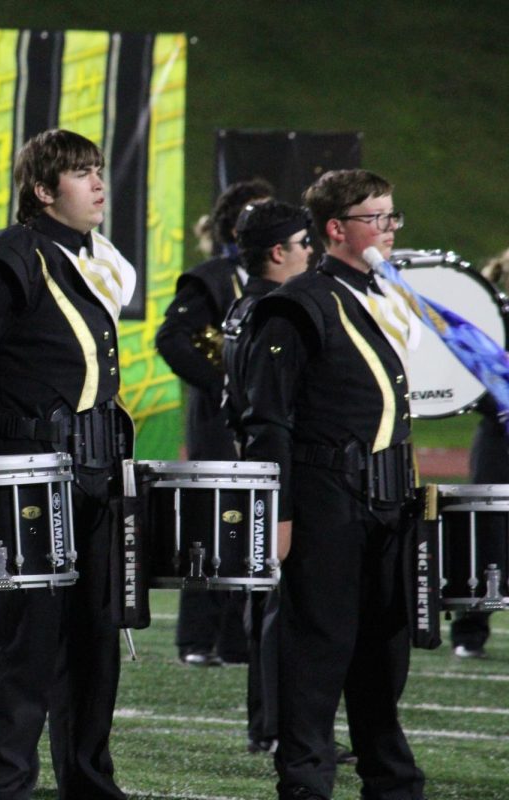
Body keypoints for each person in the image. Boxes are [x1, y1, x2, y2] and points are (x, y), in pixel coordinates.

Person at [0, 128, 135, 800]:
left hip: (97, 479)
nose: (99, 183)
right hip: (28, 483)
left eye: (99, 169)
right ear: (44, 190)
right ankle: (4, 783)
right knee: (22, 648)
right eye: (82, 173)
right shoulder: (8, 260)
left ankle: (88, 781)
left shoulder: (92, 260)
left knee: (94, 644)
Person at [241, 169, 426, 800]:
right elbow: (265, 419)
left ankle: (390, 777)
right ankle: (305, 781)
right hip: (325, 494)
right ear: (336, 229)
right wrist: (281, 515)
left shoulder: (391, 295)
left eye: (393, 215)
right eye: (377, 217)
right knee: (318, 652)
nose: (390, 229)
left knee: (385, 650)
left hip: (389, 498)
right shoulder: (297, 303)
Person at [156, 178, 274, 666]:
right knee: (211, 523)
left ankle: (238, 639)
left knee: (255, 525)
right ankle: (196, 638)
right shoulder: (212, 277)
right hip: (218, 423)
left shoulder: (282, 278)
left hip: (264, 422)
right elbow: (173, 338)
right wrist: (220, 385)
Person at [221, 199, 314, 755]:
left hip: (256, 469)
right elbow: (271, 416)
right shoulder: (276, 311)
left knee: (269, 608)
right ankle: (278, 727)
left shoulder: (243, 306)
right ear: (278, 251)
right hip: (275, 473)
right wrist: (281, 506)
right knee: (282, 611)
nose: (311, 252)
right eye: (305, 243)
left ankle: (271, 724)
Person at [450, 247, 509, 659]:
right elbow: (472, 378)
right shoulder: (493, 320)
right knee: (487, 535)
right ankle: (470, 631)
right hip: (500, 435)